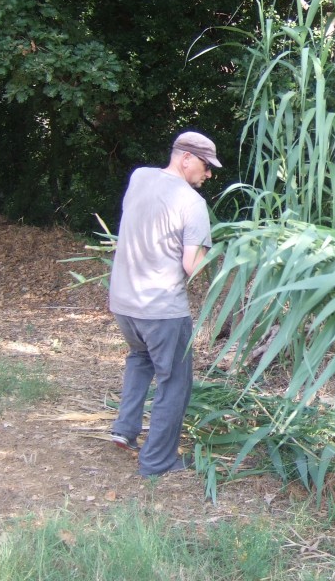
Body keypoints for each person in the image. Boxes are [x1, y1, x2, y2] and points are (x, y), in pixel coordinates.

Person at [108, 130, 219, 476]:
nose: (209, 174)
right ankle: (157, 461)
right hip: (161, 310)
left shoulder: (139, 177)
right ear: (185, 158)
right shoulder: (193, 203)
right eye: (205, 165)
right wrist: (221, 256)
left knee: (140, 356)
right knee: (175, 382)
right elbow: (192, 266)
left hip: (123, 302)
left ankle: (125, 430)